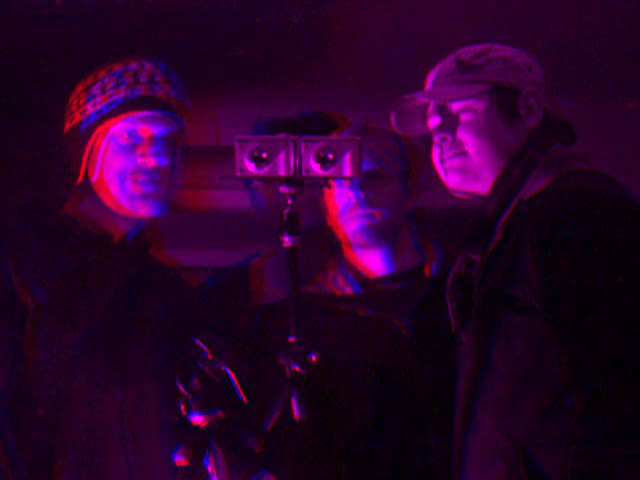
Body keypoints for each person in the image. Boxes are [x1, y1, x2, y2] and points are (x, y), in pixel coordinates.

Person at [395, 43, 640, 479]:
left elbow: (615, 395)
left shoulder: (580, 215)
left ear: (527, 109)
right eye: (433, 124)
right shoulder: (508, 233)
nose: (441, 133)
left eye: (461, 112)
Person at [0, 59, 220, 480]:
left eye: (169, 140)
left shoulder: (163, 292)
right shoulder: (21, 264)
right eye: (131, 138)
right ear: (86, 155)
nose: (156, 157)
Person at [228, 111, 456, 479]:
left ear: (409, 189)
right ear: (327, 203)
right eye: (338, 182)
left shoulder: (462, 293)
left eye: (374, 176)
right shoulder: (304, 320)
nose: (357, 192)